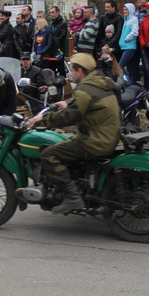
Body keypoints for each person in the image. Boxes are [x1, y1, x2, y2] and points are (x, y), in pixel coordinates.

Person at [26, 53, 120, 214]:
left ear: (80, 71)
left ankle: (73, 197)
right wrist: (67, 103)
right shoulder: (98, 83)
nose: (70, 73)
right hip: (108, 136)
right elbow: (85, 103)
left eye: (72, 70)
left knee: (49, 154)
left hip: (94, 140)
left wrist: (42, 120)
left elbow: (70, 117)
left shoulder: (84, 90)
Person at [119, 2, 140, 83]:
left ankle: (127, 82)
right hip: (124, 47)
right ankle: (132, 83)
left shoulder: (134, 19)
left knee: (120, 66)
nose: (124, 11)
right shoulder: (126, 20)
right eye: (124, 10)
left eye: (126, 10)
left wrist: (126, 39)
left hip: (129, 47)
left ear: (130, 10)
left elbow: (135, 32)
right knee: (131, 68)